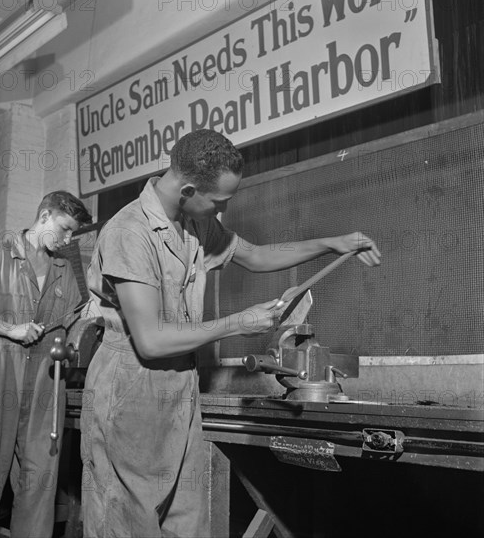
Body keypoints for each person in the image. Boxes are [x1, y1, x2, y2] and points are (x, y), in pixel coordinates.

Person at [81, 129, 381, 538]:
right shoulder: (128, 233)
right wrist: (237, 323)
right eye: (220, 201)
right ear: (188, 189)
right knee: (129, 523)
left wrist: (333, 243)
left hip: (180, 383)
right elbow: (150, 340)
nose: (223, 209)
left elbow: (255, 255)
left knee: (186, 521)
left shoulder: (193, 223)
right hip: (131, 385)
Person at [0, 191, 92, 538]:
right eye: (63, 229)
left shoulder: (64, 270)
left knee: (40, 488)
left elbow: (75, 319)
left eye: (72, 234)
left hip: (45, 382)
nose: (66, 240)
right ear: (44, 216)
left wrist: (77, 340)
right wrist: (9, 329)